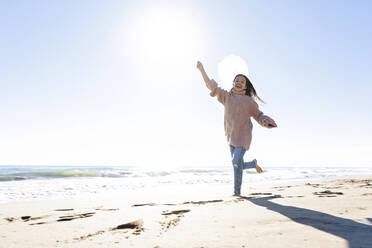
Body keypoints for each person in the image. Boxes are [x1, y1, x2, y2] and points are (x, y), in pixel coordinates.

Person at [196, 61, 277, 196]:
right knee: (236, 165)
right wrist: (201, 69)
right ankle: (239, 189)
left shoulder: (248, 101)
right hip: (230, 136)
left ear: (245, 85)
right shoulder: (226, 96)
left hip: (244, 137)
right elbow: (212, 87)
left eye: (242, 81)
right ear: (233, 83)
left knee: (235, 161)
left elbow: (258, 115)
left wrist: (266, 122)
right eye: (237, 80)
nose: (239, 82)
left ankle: (239, 188)